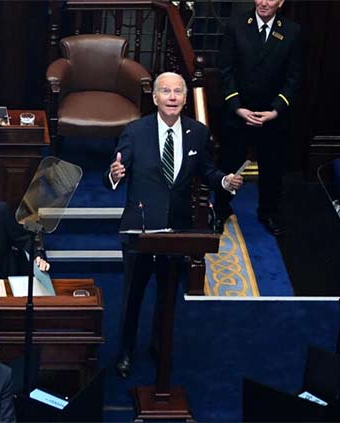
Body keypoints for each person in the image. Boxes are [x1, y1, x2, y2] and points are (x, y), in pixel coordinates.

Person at [104, 72, 243, 378]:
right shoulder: (135, 131)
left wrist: (224, 180)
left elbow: (207, 170)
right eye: (165, 91)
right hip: (140, 229)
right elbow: (116, 167)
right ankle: (125, 350)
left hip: (178, 230)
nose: (172, 96)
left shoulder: (197, 132)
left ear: (184, 98)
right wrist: (115, 173)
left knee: (167, 295)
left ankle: (159, 344)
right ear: (154, 98)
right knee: (132, 296)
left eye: (177, 91)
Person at [214, 0, 301, 236]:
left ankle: (269, 213)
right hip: (239, 112)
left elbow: (294, 77)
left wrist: (275, 110)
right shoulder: (236, 25)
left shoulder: (292, 31)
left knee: (271, 168)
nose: (264, 3)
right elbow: (225, 70)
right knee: (229, 163)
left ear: (281, 2)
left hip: (271, 116)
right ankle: (220, 209)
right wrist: (237, 107)